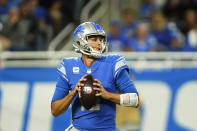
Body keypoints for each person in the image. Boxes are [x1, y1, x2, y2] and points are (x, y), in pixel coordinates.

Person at [51, 22, 140, 131]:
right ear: (80, 41)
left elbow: (135, 100)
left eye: (101, 39)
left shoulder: (113, 63)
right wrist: (73, 92)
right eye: (94, 39)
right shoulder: (68, 66)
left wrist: (107, 95)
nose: (99, 43)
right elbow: (55, 110)